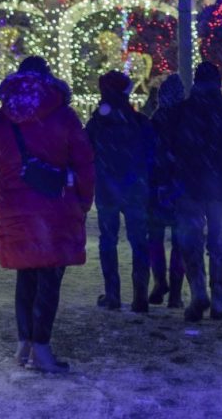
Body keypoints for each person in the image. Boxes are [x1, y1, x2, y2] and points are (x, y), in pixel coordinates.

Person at [0, 55, 95, 373]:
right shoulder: (63, 115)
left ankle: (25, 344)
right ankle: (41, 349)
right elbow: (84, 162)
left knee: (26, 275)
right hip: (56, 207)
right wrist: (83, 200)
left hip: (16, 208)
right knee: (49, 278)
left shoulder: (2, 118)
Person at [166, 61, 222, 322]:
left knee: (190, 241)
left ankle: (198, 291)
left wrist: (168, 180)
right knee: (219, 242)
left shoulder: (181, 114)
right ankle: (218, 298)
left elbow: (168, 150)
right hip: (221, 185)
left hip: (189, 184)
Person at [85, 70, 155, 313]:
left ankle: (113, 294)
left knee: (108, 240)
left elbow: (85, 154)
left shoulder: (97, 124)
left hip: (107, 188)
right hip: (135, 187)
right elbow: (151, 154)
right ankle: (140, 294)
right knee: (139, 241)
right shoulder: (139, 122)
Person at [147, 74, 186, 308]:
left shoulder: (155, 121)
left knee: (156, 238)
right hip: (180, 187)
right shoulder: (187, 121)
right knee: (179, 241)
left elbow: (150, 155)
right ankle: (176, 291)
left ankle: (159, 282)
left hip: (157, 188)